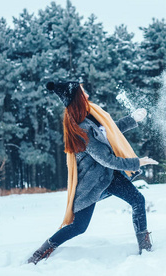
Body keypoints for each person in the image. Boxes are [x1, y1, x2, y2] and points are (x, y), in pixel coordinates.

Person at [27, 81, 158, 264]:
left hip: (109, 176)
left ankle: (145, 247)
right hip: (92, 183)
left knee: (138, 200)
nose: (87, 94)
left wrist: (132, 119)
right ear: (77, 98)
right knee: (79, 227)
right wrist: (138, 162)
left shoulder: (91, 115)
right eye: (83, 92)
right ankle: (43, 250)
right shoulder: (82, 128)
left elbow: (109, 132)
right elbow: (107, 159)